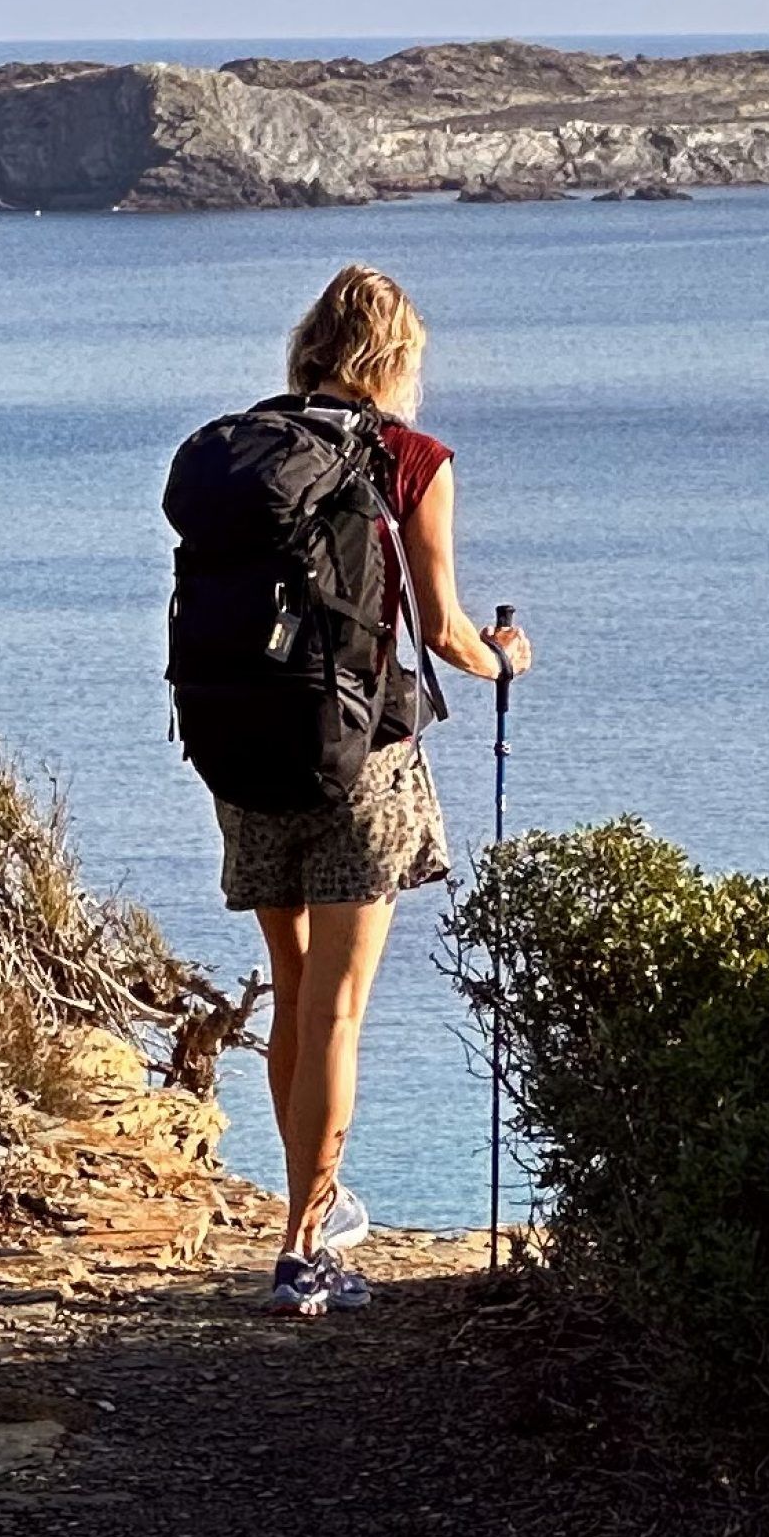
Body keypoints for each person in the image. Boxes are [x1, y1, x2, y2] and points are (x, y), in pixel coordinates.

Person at [210, 263, 530, 1318]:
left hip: (245, 747)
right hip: (361, 758)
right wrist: (505, 659)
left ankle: (310, 1210)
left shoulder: (247, 449)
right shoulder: (412, 460)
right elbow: (442, 633)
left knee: (295, 993)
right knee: (340, 1012)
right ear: (395, 360)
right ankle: (304, 1249)